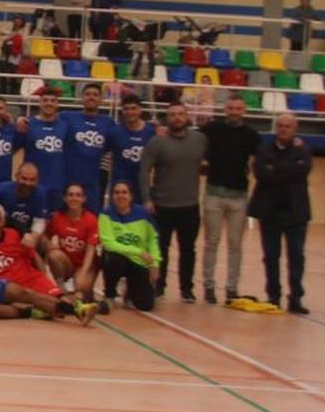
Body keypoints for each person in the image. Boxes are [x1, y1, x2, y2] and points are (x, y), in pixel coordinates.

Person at [0, 204, 94, 321]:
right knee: (45, 303)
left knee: (56, 297)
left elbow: (34, 256)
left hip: (29, 278)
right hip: (7, 286)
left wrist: (44, 277)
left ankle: (78, 309)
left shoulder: (15, 235)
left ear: (4, 222)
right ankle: (76, 310)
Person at [138, 102, 208, 302]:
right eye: (172, 115)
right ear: (167, 118)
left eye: (180, 114)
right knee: (161, 249)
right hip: (162, 205)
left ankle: (187, 289)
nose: (177, 118)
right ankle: (159, 285)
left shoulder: (200, 140)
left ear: (187, 117)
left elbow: (206, 163)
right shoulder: (157, 142)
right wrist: (146, 199)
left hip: (189, 205)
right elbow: (144, 171)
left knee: (188, 249)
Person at [249, 113, 312, 314]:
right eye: (281, 125)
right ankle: (273, 296)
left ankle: (295, 299)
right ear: (276, 128)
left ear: (295, 129)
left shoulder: (304, 150)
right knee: (271, 257)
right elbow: (262, 173)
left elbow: (302, 171)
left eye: (288, 126)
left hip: (296, 213)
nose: (284, 129)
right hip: (270, 212)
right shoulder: (264, 149)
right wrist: (288, 168)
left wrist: (275, 168)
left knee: (296, 257)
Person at [200, 94, 260, 304]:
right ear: (225, 109)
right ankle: (208, 285)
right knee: (211, 242)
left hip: (238, 198)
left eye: (238, 109)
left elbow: (259, 160)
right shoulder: (212, 129)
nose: (234, 112)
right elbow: (193, 140)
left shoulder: (251, 135)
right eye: (231, 108)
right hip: (213, 194)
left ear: (243, 111)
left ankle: (232, 288)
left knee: (235, 244)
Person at [99, 181, 160, 312]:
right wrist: (138, 251)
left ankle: (130, 291)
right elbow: (108, 244)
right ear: (112, 196)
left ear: (131, 196)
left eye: (124, 192)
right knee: (112, 259)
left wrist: (155, 263)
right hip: (119, 259)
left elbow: (153, 239)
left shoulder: (143, 214)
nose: (120, 196)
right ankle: (109, 295)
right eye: (117, 193)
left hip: (138, 263)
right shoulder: (106, 214)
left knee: (146, 306)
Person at [61, 82, 114, 210]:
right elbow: (44, 118)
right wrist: (21, 119)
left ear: (101, 99)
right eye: (88, 94)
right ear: (82, 98)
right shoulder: (67, 117)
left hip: (94, 182)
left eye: (95, 95)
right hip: (69, 179)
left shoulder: (108, 122)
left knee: (93, 219)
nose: (91, 97)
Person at [47, 184, 101, 303]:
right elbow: (46, 236)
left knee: (80, 292)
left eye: (78, 195)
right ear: (64, 198)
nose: (74, 198)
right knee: (54, 255)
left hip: (83, 264)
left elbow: (91, 248)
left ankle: (85, 290)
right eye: (70, 195)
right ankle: (61, 290)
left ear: (83, 199)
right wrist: (51, 245)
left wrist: (84, 272)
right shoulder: (57, 217)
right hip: (67, 263)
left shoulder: (91, 220)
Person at [18, 87, 68, 206]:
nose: (49, 103)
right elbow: (13, 148)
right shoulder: (27, 124)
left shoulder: (65, 125)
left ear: (57, 104)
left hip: (57, 184)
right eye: (45, 100)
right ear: (39, 103)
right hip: (32, 184)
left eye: (52, 101)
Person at [0, 162, 50, 249]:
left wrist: (33, 237)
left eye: (32, 180)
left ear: (38, 180)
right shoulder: (0, 190)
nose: (27, 183)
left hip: (27, 232)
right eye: (24, 178)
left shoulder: (40, 193)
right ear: (16, 176)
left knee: (46, 244)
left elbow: (40, 220)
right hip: (2, 231)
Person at [107, 93, 155, 202]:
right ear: (122, 111)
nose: (130, 112)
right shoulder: (114, 132)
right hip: (119, 187)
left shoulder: (151, 132)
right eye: (126, 109)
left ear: (140, 110)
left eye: (133, 108)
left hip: (142, 186)